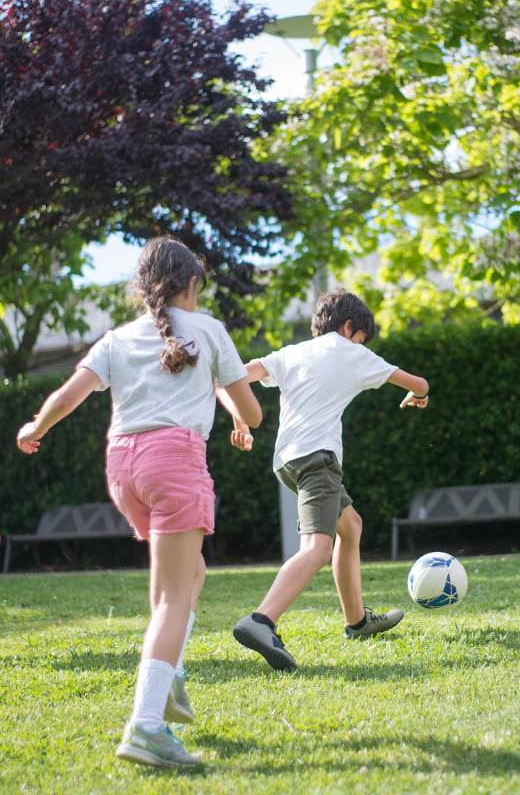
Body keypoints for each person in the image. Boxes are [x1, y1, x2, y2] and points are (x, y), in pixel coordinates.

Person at [16, 236, 261, 768]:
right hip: (174, 461)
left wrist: (36, 426)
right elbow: (253, 412)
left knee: (185, 576)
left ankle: (167, 675)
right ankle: (147, 726)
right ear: (191, 284)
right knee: (177, 596)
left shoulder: (119, 337)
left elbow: (68, 396)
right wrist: (242, 417)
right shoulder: (210, 330)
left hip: (123, 467)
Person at [230, 288, 429, 671]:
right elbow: (418, 382)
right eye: (360, 338)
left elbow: (240, 376)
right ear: (349, 327)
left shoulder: (291, 352)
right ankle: (261, 621)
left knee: (350, 526)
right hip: (317, 460)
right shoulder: (352, 352)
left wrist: (240, 419)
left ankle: (357, 622)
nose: (360, 345)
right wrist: (418, 396)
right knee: (318, 549)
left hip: (287, 461)